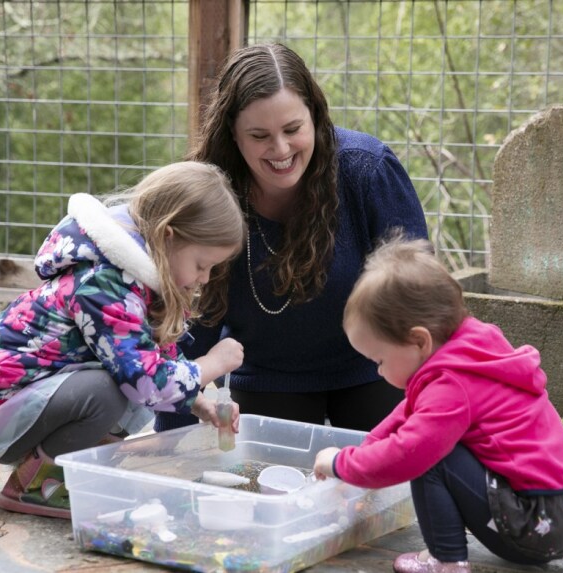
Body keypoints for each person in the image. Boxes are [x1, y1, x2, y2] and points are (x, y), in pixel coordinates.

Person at [0, 161, 246, 519]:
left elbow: (152, 363)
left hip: (24, 407)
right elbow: (146, 381)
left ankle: (78, 471)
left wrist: (197, 403)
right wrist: (213, 363)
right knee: (113, 390)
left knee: (136, 386)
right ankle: (38, 487)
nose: (205, 278)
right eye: (201, 264)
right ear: (169, 235)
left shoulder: (136, 282)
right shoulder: (104, 282)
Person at [154, 43, 428, 434]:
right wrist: (168, 440)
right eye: (260, 135)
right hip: (267, 375)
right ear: (233, 133)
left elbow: (418, 296)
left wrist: (435, 395)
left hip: (375, 367)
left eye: (293, 129)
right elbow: (195, 319)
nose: (280, 149)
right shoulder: (208, 191)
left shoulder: (367, 170)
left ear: (315, 116)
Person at [312, 235, 563, 573]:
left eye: (379, 359)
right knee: (434, 438)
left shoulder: (451, 386)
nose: (379, 370)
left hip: (535, 523)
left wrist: (342, 463)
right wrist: (365, 449)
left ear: (419, 340)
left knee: (429, 455)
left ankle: (446, 561)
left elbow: (408, 451)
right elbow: (408, 414)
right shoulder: (471, 350)